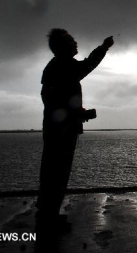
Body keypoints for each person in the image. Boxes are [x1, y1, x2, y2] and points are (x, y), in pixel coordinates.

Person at [36, 29, 114, 233]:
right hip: (62, 130)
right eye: (71, 41)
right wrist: (104, 47)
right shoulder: (63, 66)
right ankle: (49, 219)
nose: (76, 43)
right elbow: (88, 65)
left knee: (52, 171)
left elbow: (55, 102)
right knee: (58, 172)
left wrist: (79, 113)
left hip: (56, 127)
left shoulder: (54, 67)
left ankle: (47, 214)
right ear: (63, 47)